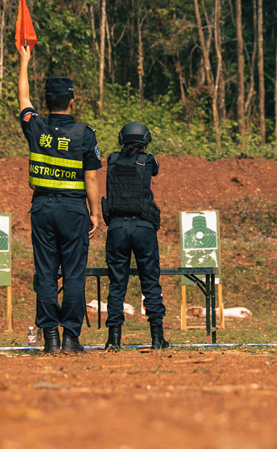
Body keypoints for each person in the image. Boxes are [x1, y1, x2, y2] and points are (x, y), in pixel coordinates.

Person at [18, 45, 102, 354]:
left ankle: (50, 338)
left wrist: (24, 60)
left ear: (45, 102)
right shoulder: (84, 134)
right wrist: (95, 213)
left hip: (42, 208)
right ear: (72, 101)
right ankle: (71, 339)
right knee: (74, 274)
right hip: (73, 210)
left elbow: (22, 99)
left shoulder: (36, 126)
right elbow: (91, 179)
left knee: (46, 273)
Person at [101, 122, 169, 350]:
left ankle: (114, 339)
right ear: (145, 141)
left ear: (122, 139)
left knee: (117, 284)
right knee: (150, 281)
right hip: (143, 227)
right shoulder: (147, 160)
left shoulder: (111, 160)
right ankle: (157, 338)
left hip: (117, 227)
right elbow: (156, 170)